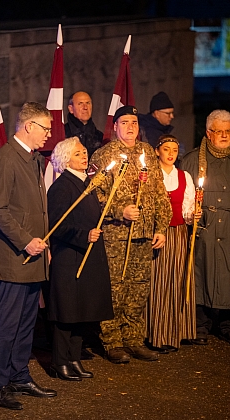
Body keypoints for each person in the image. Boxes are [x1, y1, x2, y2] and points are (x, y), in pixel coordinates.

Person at [0, 102, 57, 410]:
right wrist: (26, 242)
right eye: (46, 128)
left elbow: (38, 208)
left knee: (27, 322)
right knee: (7, 323)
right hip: (13, 258)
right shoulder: (5, 159)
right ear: (28, 127)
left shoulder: (33, 159)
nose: (49, 134)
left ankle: (19, 376)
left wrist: (44, 249)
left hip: (35, 255)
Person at [89, 105, 172, 364]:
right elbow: (94, 196)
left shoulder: (147, 152)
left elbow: (159, 193)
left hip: (144, 233)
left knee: (138, 289)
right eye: (124, 122)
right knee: (115, 289)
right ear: (115, 126)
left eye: (134, 122)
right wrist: (119, 211)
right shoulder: (104, 156)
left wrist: (161, 227)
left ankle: (134, 339)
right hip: (117, 235)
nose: (130, 127)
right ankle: (112, 341)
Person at [47, 137, 114, 380]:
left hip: (88, 254)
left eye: (84, 152)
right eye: (78, 154)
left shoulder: (87, 183)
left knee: (81, 311)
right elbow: (57, 225)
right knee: (67, 312)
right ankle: (59, 361)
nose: (84, 156)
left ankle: (74, 358)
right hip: (70, 256)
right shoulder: (62, 187)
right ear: (65, 159)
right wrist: (83, 235)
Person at [180, 109, 230, 346]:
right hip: (204, 226)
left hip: (228, 227)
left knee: (226, 274)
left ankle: (226, 322)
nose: (224, 135)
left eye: (228, 131)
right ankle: (200, 324)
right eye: (219, 131)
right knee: (200, 271)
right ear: (209, 133)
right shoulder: (192, 160)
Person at [148, 134, 198, 353]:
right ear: (158, 151)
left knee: (176, 281)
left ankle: (173, 332)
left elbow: (187, 207)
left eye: (174, 150)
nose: (170, 154)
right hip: (156, 233)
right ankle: (154, 333)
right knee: (157, 283)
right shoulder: (151, 174)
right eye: (166, 149)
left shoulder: (184, 176)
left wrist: (192, 215)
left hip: (177, 233)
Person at [64, 91, 103, 158]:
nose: (85, 107)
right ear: (71, 109)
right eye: (80, 104)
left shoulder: (100, 137)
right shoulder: (63, 134)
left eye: (88, 103)